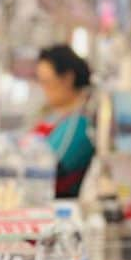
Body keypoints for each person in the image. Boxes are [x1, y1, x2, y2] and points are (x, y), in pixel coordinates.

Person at [33, 44, 95, 197]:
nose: (43, 89)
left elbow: (52, 168)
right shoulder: (55, 115)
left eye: (47, 82)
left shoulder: (80, 123)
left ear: (67, 79)